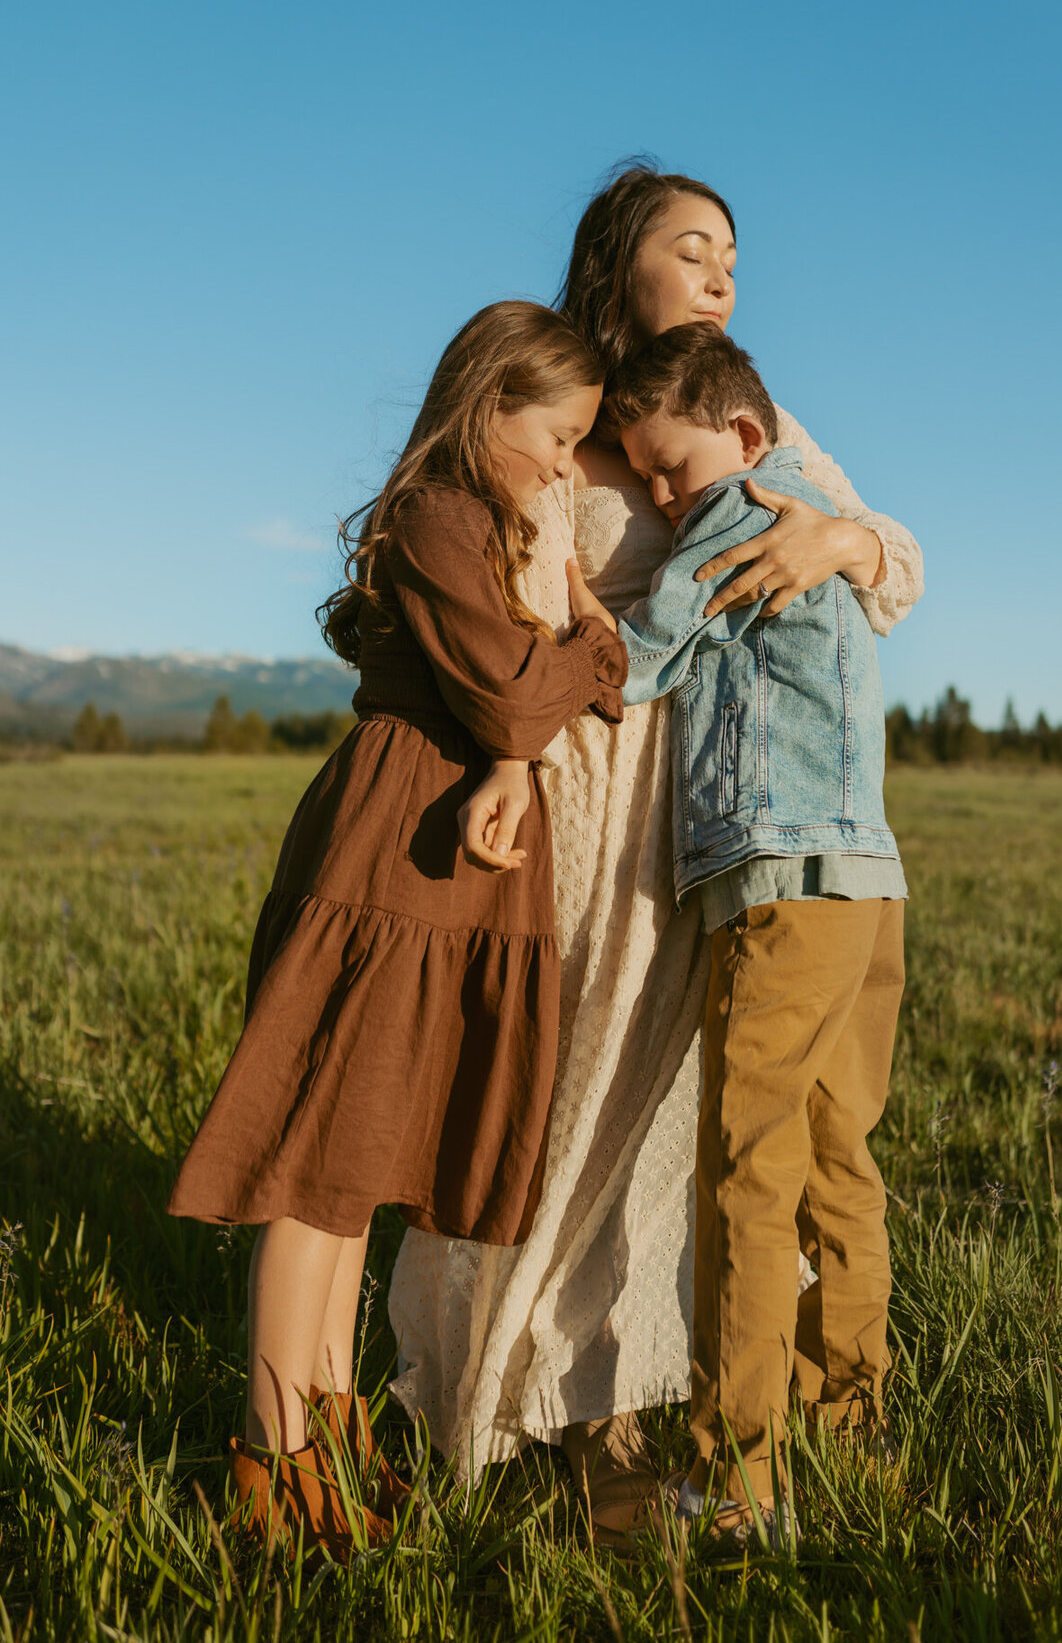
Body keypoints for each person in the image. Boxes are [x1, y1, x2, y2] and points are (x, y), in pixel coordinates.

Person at [389, 162, 923, 1548]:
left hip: (714, 822)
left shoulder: (753, 412)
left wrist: (846, 535)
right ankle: (523, 1397)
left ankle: (653, 1406)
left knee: (697, 1127)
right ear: (618, 259)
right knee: (554, 1093)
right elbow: (500, 580)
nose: (724, 266)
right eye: (692, 245)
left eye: (734, 250)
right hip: (578, 791)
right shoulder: (558, 402)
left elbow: (904, 566)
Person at [168, 300, 627, 1560]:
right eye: (556, 433)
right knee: (315, 1173)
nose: (564, 462)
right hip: (394, 840)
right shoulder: (442, 518)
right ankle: (272, 1462)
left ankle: (324, 1429)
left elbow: (586, 681)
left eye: (584, 439)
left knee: (361, 1170)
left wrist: (572, 635)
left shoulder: (504, 529)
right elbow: (521, 703)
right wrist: (575, 627)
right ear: (489, 408)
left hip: (455, 863)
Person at [571, 322, 906, 1542]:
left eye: (671, 470)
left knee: (747, 1175)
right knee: (835, 1162)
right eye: (647, 480)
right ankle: (850, 1424)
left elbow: (635, 661)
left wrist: (561, 590)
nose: (661, 498)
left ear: (747, 436)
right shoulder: (827, 516)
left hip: (779, 879)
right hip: (868, 880)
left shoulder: (741, 514)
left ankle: (736, 1478)